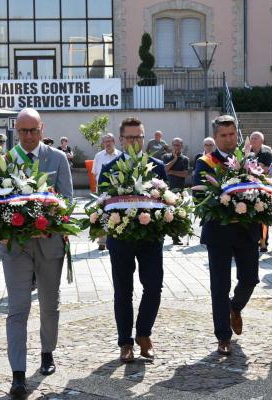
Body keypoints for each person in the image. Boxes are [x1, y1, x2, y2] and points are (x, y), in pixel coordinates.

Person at [1, 108, 72, 397]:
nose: (28, 136)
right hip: (15, 247)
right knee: (17, 309)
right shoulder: (6, 160)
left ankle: (47, 352)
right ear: (16, 131)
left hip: (49, 242)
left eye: (33, 130)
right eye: (23, 131)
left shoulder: (57, 158)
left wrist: (51, 221)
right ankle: (18, 373)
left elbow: (68, 198)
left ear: (42, 129)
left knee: (48, 305)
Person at [98, 117, 167, 363]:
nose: (135, 142)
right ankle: (125, 342)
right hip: (121, 239)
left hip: (150, 239)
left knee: (154, 287)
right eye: (130, 137)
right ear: (121, 140)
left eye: (139, 137)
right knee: (123, 291)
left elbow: (166, 199)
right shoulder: (110, 168)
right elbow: (103, 206)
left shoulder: (158, 166)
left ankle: (144, 334)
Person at [193, 115, 260, 356]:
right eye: (224, 135)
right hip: (219, 232)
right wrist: (225, 201)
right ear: (216, 137)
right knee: (219, 286)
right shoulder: (205, 162)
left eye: (232, 134)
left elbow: (259, 188)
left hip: (246, 229)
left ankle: (235, 308)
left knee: (251, 279)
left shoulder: (249, 159)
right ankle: (223, 336)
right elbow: (199, 197)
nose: (229, 139)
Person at [92, 133, 121, 250]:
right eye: (105, 141)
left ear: (114, 142)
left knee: (117, 214)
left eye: (110, 141)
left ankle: (116, 239)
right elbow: (94, 172)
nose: (108, 143)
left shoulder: (120, 155)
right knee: (102, 214)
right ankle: (102, 242)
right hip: (102, 191)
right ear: (103, 143)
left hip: (117, 190)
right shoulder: (98, 156)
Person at [249, 131, 272, 252]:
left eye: (256, 138)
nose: (253, 140)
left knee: (263, 213)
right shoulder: (247, 151)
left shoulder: (267, 152)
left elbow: (268, 169)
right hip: (249, 185)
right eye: (252, 138)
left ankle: (264, 241)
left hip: (263, 185)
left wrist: (257, 167)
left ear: (261, 141)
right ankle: (253, 239)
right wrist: (259, 167)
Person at [163, 138, 189, 245]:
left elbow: (185, 174)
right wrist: (174, 159)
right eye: (175, 145)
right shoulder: (166, 157)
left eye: (178, 145)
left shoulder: (185, 159)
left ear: (181, 146)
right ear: (172, 146)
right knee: (165, 213)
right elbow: (165, 169)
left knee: (178, 214)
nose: (176, 147)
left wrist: (172, 172)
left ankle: (175, 237)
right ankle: (162, 235)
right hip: (167, 189)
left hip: (179, 190)